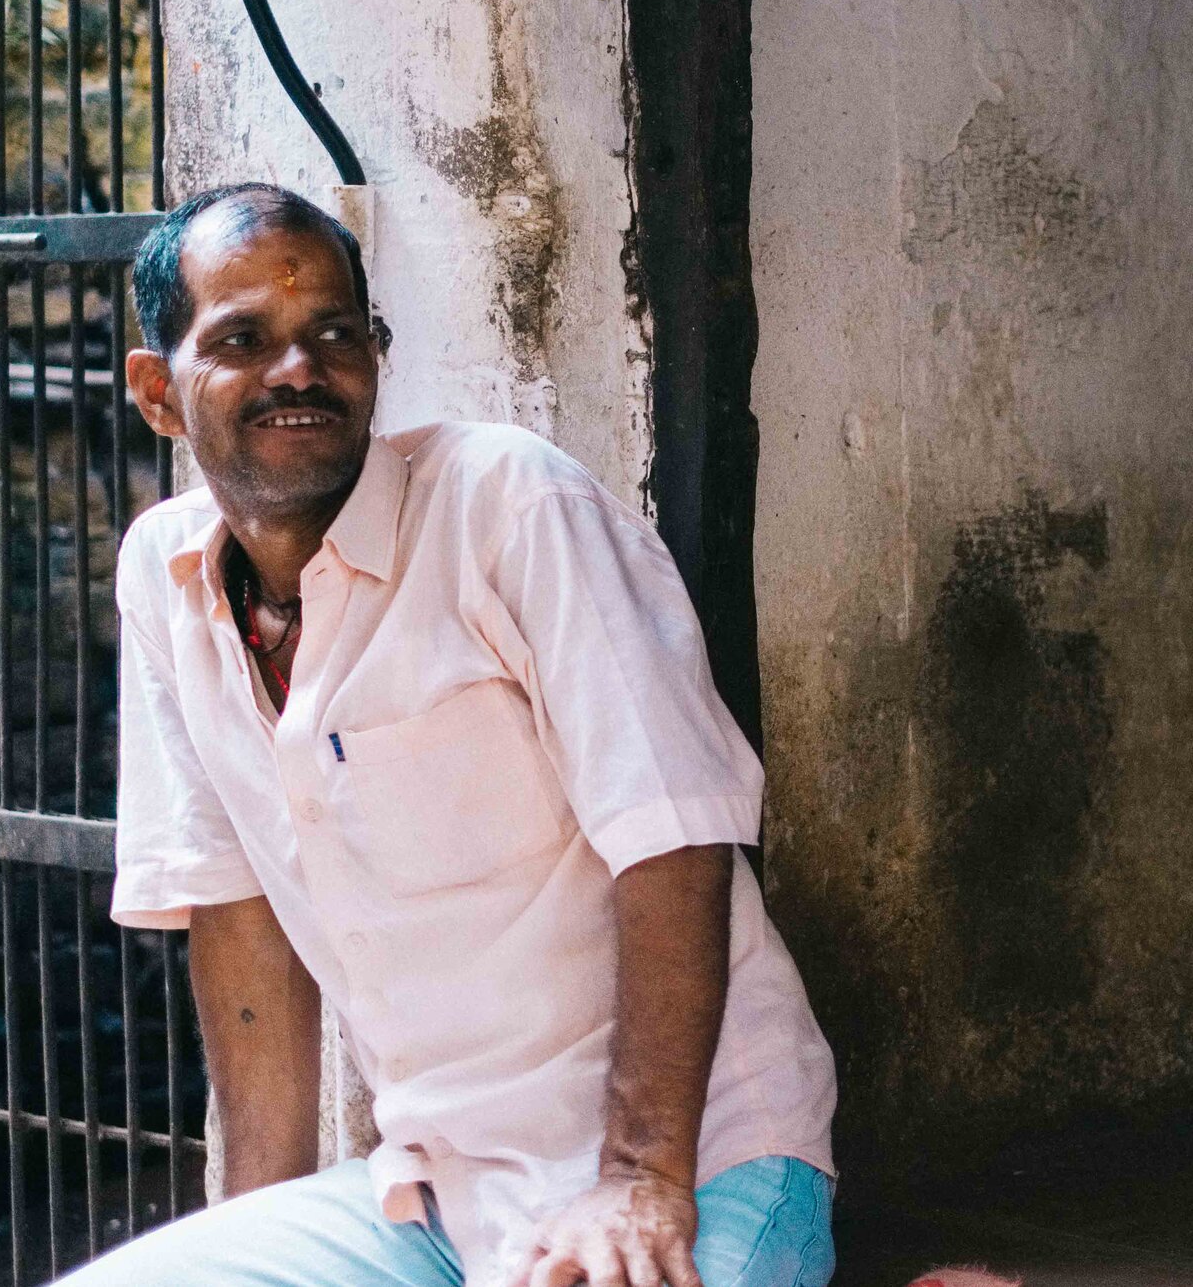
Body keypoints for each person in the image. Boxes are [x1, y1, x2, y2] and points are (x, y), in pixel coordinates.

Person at [65, 182, 837, 1287]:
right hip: (430, 1190)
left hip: (696, 1161)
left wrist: (639, 1172)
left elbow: (676, 836)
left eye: (336, 333)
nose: (299, 368)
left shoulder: (510, 505)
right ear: (158, 392)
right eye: (244, 339)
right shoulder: (166, 574)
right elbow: (237, 914)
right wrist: (257, 1220)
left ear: (375, 357)